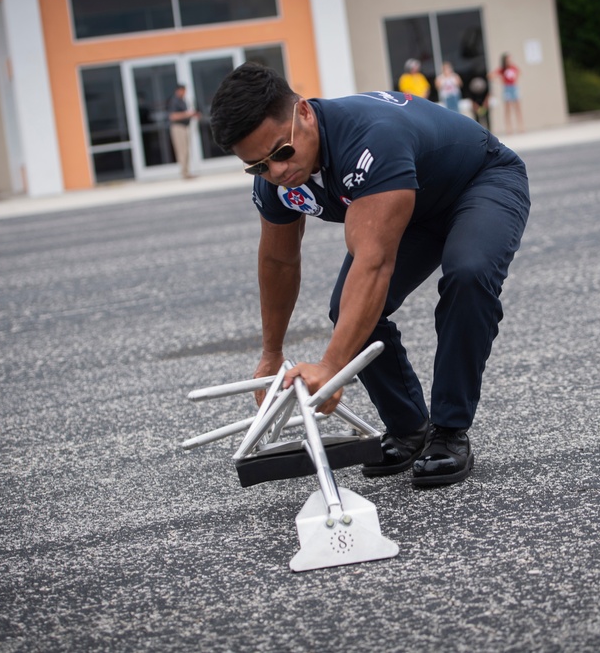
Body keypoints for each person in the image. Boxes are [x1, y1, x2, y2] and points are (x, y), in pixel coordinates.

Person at [209, 63, 530, 487]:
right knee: (349, 309)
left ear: (303, 112)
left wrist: (331, 365)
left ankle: (449, 432)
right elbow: (279, 263)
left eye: (282, 152)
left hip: (479, 182)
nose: (278, 172)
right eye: (258, 167)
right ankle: (410, 427)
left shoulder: (369, 138)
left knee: (468, 275)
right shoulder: (277, 180)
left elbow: (374, 263)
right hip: (412, 207)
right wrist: (271, 352)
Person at [167, 84, 200, 179]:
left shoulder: (183, 101)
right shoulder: (174, 101)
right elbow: (173, 116)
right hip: (178, 128)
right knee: (181, 150)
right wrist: (187, 114)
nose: (185, 93)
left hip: (184, 127)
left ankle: (186, 171)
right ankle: (184, 172)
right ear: (178, 90)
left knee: (186, 150)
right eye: (183, 90)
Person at [490, 53, 523, 134]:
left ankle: (521, 127)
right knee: (507, 109)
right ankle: (509, 128)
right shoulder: (502, 69)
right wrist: (500, 81)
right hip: (507, 88)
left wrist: (516, 79)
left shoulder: (513, 67)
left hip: (513, 87)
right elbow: (491, 75)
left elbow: (519, 73)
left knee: (517, 107)